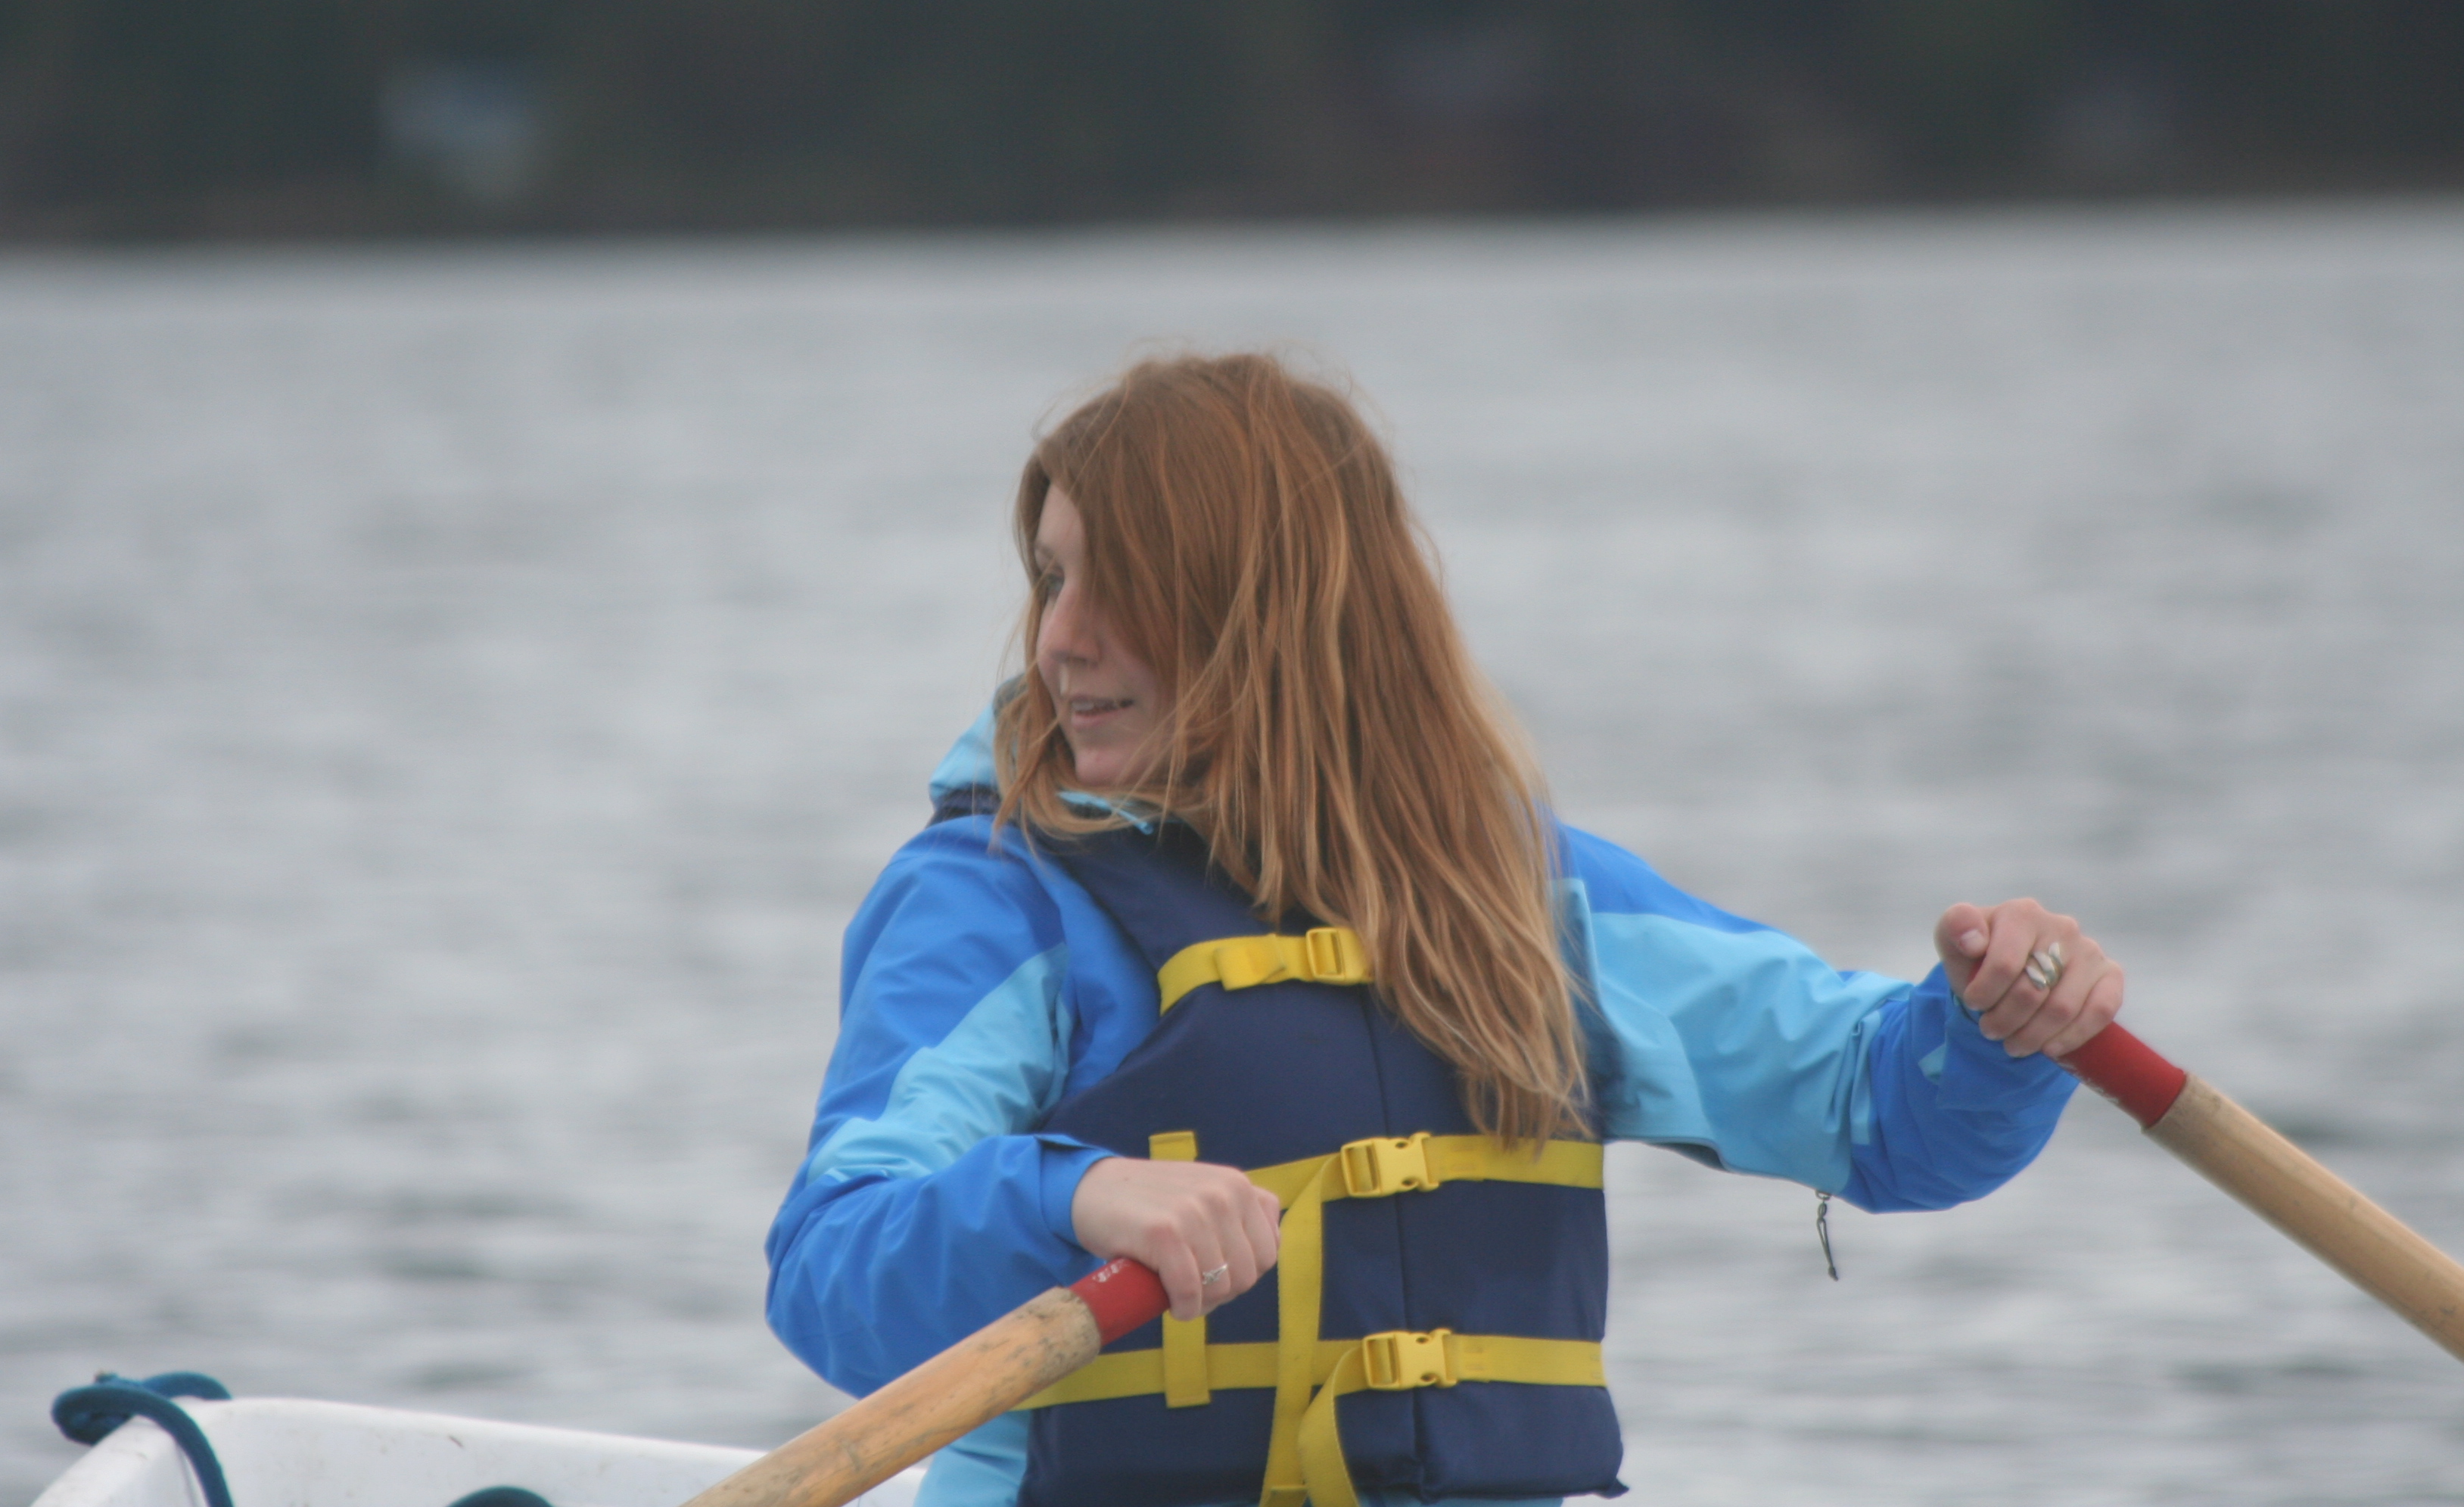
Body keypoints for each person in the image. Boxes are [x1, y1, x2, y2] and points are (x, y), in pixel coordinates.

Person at [764, 353, 2123, 1507]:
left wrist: (2002, 1024)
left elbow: (1887, 1115)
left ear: (1260, 603)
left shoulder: (1516, 896)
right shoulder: (998, 899)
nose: (1057, 640)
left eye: (1110, 583)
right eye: (1049, 579)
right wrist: (1073, 1196)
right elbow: (833, 1265)